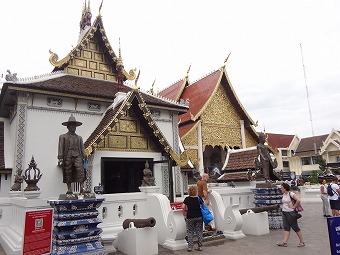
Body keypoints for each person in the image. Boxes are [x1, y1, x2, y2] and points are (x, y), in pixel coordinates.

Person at [58, 115, 87, 194]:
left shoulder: (79, 138)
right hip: (68, 155)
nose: (73, 127)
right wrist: (60, 157)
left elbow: (82, 147)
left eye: (74, 126)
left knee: (80, 171)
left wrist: (84, 155)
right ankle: (69, 188)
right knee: (68, 171)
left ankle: (82, 187)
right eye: (71, 126)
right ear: (68, 127)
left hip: (78, 155)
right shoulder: (63, 137)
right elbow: (61, 147)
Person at [277, 182, 305, 247]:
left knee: (295, 227)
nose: (281, 189)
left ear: (285, 188)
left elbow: (298, 200)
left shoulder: (291, 194)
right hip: (284, 212)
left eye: (282, 188)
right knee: (286, 227)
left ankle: (302, 241)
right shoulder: (284, 194)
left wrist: (294, 206)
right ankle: (284, 242)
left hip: (291, 212)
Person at [181, 185, 203, 252]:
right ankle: (200, 246)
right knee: (199, 231)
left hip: (190, 217)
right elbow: (202, 205)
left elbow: (182, 207)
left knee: (190, 232)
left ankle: (190, 247)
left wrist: (185, 211)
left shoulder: (187, 199)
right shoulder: (199, 198)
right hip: (199, 216)